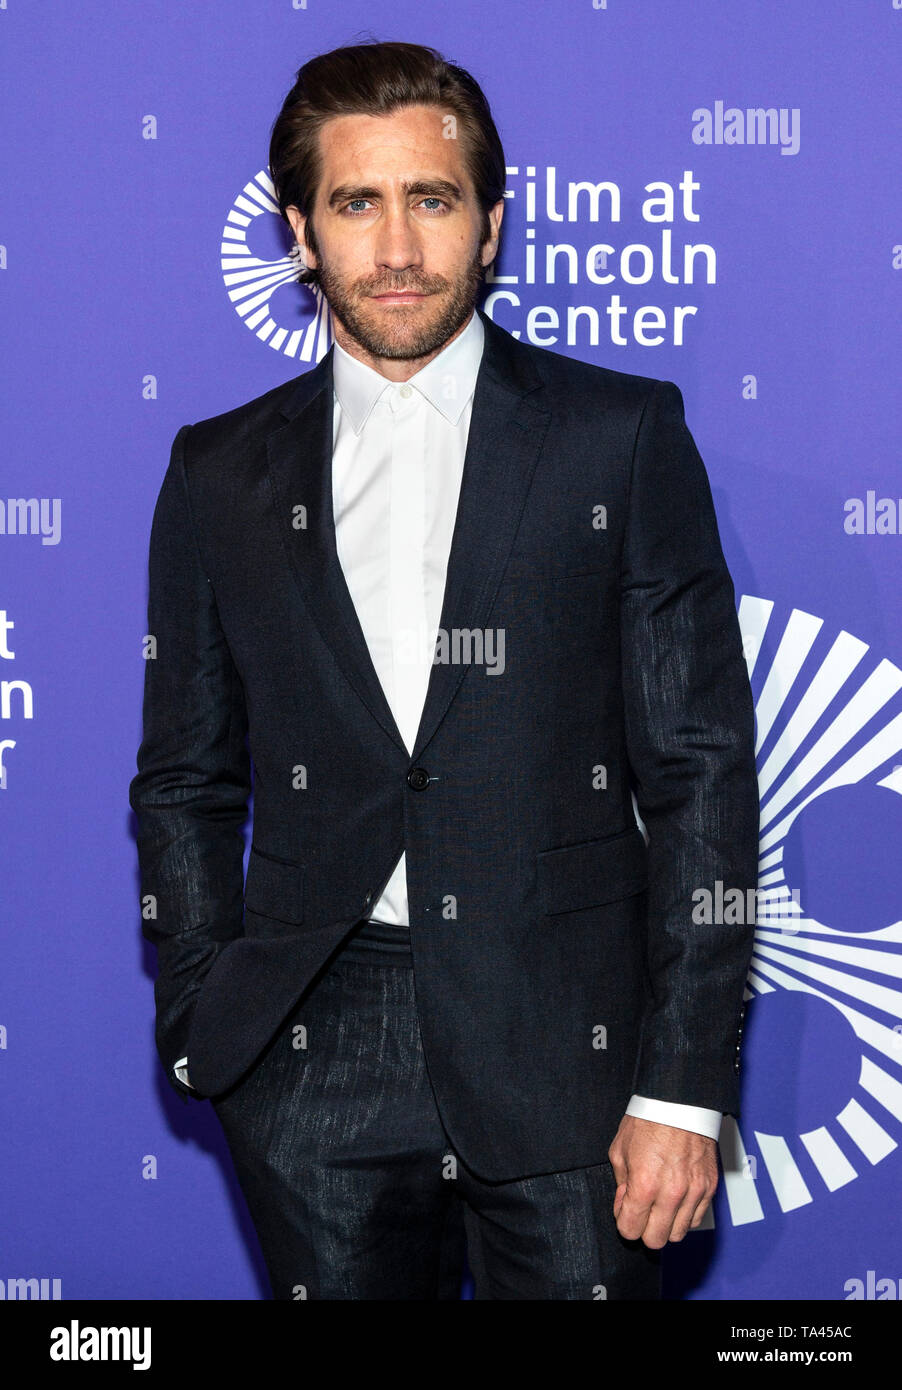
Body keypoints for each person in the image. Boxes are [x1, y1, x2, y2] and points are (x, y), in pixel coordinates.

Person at [129, 39, 759, 1300]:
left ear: (491, 225)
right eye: (358, 204)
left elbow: (698, 773)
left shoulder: (617, 437)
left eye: (432, 199)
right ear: (301, 233)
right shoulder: (219, 473)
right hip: (315, 1043)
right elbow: (185, 778)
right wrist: (210, 1010)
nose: (399, 247)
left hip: (567, 1032)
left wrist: (682, 1083)